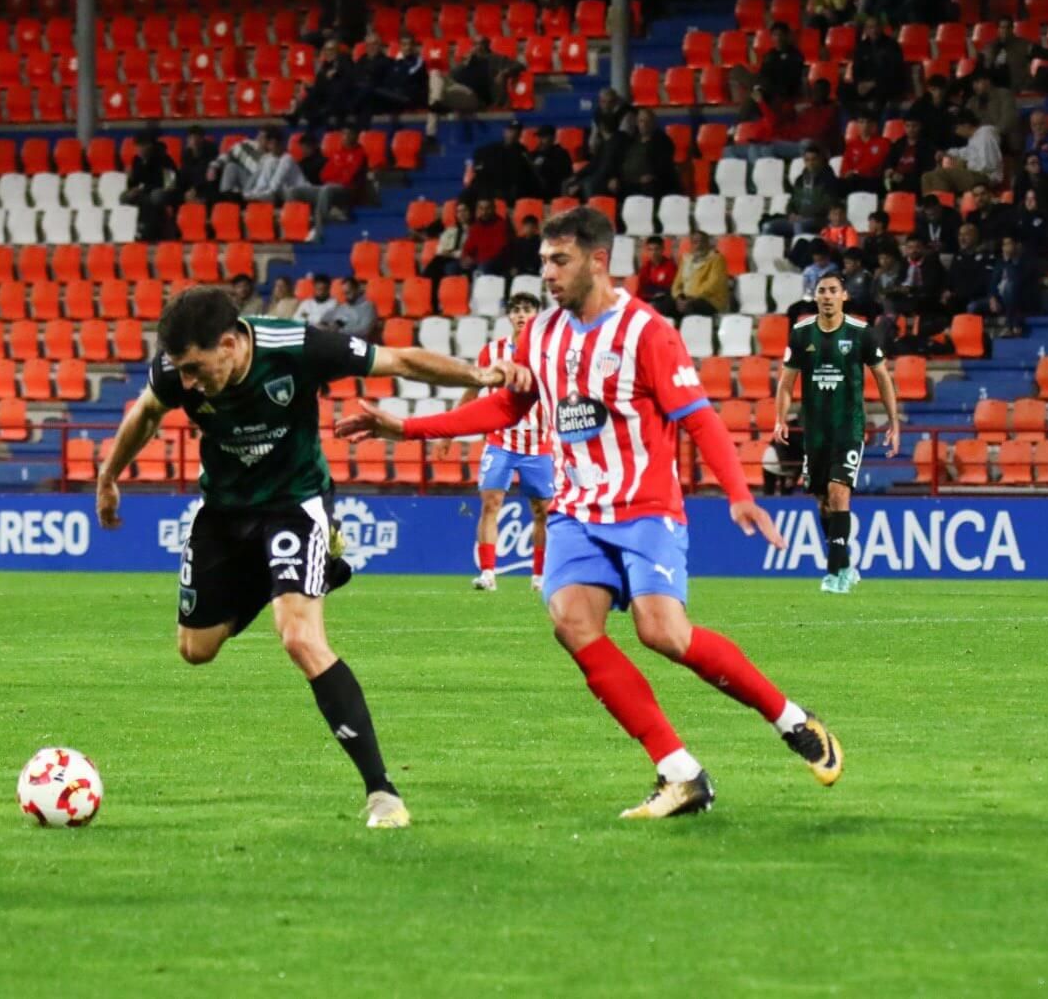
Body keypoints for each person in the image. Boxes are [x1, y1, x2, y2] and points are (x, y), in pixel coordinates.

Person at [336, 206, 843, 819]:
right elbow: (503, 410)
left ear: (598, 261)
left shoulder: (647, 332)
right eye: (543, 261)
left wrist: (738, 493)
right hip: (577, 511)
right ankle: (678, 772)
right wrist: (406, 426)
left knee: (664, 633)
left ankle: (792, 720)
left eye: (559, 260)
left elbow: (701, 418)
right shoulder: (543, 336)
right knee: (573, 622)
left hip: (646, 507)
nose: (547, 273)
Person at [96, 287, 527, 829]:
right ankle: (310, 569)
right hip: (224, 513)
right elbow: (147, 413)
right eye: (180, 371)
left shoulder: (297, 346)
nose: (187, 383)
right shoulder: (173, 372)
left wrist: (479, 376)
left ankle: (382, 792)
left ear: (229, 344)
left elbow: (397, 359)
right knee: (195, 649)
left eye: (195, 369)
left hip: (294, 504)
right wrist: (109, 476)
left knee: (299, 638)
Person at [773, 273, 900, 594]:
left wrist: (893, 421)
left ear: (844, 296)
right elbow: (786, 382)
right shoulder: (801, 333)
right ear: (815, 297)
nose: (827, 296)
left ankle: (833, 573)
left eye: (833, 291)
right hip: (815, 433)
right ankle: (845, 563)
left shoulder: (861, 333)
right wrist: (780, 418)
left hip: (848, 428)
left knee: (838, 491)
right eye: (821, 291)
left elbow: (883, 378)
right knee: (823, 501)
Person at [458, 293, 553, 592]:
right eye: (516, 310)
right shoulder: (493, 351)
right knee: (490, 504)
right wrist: (449, 431)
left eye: (528, 310)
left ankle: (539, 575)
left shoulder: (550, 350)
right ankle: (488, 573)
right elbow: (473, 391)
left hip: (540, 444)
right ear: (509, 316)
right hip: (501, 441)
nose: (521, 315)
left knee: (543, 510)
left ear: (537, 315)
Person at [764, 146, 841, 237]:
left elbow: (828, 205)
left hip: (819, 220)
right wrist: (791, 214)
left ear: (820, 160)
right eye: (807, 160)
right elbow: (791, 202)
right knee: (768, 226)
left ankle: (798, 250)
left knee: (799, 225)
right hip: (798, 219)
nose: (810, 163)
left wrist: (805, 217)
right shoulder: (800, 180)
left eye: (814, 159)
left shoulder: (829, 180)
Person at [920, 111, 1002, 195]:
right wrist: (946, 153)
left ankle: (944, 206)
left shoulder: (986, 134)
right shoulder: (974, 138)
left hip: (985, 176)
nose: (956, 132)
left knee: (941, 174)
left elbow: (988, 164)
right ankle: (929, 205)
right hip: (974, 174)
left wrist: (965, 165)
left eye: (956, 128)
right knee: (926, 177)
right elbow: (964, 152)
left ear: (966, 125)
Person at [975, 234, 1039, 337]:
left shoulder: (1027, 262)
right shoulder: (1000, 263)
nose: (1005, 247)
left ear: (1017, 245)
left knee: (1010, 287)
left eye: (1008, 244)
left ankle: (1010, 326)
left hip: (1021, 299)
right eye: (1003, 245)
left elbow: (1019, 282)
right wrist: (992, 298)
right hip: (1000, 300)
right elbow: (993, 283)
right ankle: (978, 339)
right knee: (973, 306)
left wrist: (1010, 262)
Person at [122, 128, 178, 242]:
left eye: (143, 146)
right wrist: (131, 181)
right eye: (138, 146)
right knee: (124, 197)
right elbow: (135, 182)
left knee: (154, 197)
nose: (140, 149)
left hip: (163, 191)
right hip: (144, 191)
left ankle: (148, 231)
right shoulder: (136, 160)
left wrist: (143, 189)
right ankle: (142, 229)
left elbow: (170, 184)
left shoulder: (165, 159)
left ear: (150, 146)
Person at [466, 121, 537, 206]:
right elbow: (482, 173)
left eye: (517, 131)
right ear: (505, 131)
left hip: (511, 192)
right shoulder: (491, 150)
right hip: (492, 189)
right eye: (511, 130)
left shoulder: (523, 152)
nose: (514, 134)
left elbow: (527, 176)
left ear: (520, 134)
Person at [665, 230, 732, 316]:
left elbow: (713, 285)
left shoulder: (717, 259)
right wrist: (679, 297)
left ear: (708, 243)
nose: (699, 245)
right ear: (691, 244)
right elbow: (676, 283)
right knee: (665, 305)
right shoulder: (686, 259)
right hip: (687, 298)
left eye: (702, 242)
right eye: (695, 242)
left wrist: (690, 298)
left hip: (709, 300)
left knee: (690, 307)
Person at [980, 17, 1042, 91]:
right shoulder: (990, 47)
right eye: (1002, 27)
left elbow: (1038, 53)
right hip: (997, 87)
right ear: (998, 29)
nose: (1005, 30)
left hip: (1018, 85)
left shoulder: (1023, 44)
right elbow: (985, 66)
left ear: (1012, 29)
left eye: (1008, 27)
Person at [837, 117, 890, 197]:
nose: (865, 126)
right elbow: (845, 164)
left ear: (874, 125)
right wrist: (847, 173)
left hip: (874, 180)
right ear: (857, 125)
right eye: (861, 122)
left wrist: (856, 172)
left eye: (868, 122)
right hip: (854, 180)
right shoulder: (851, 144)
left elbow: (876, 163)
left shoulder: (883, 143)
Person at [423, 200, 472, 285]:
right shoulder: (451, 230)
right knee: (434, 265)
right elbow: (440, 250)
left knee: (446, 267)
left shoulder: (474, 230)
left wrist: (451, 253)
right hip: (445, 258)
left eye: (464, 210)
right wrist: (449, 253)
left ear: (470, 213)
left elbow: (466, 252)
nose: (462, 214)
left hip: (460, 260)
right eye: (459, 211)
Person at [461, 197, 512, 276]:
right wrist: (466, 258)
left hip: (497, 262)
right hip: (478, 261)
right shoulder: (475, 227)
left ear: (494, 209)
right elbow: (468, 247)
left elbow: (499, 249)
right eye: (481, 209)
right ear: (477, 210)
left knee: (483, 267)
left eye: (488, 208)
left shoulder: (502, 225)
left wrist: (476, 260)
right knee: (451, 267)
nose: (484, 212)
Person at [758, 22, 807, 103]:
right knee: (738, 70)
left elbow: (792, 78)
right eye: (775, 35)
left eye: (781, 34)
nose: (778, 38)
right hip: (766, 89)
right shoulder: (770, 54)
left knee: (756, 93)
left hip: (783, 91)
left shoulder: (796, 55)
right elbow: (763, 73)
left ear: (787, 36)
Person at [177, 125, 219, 205]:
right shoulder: (186, 154)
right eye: (191, 138)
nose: (194, 141)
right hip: (191, 188)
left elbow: (207, 175)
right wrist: (186, 193)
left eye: (197, 138)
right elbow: (184, 174)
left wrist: (195, 189)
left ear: (202, 139)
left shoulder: (211, 151)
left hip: (206, 187)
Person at [529, 125, 574, 200]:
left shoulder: (560, 153)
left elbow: (565, 175)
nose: (540, 140)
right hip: (536, 192)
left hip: (554, 192)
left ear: (552, 138)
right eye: (539, 137)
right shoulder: (534, 154)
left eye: (543, 137)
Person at [636, 235, 678, 308]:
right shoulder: (645, 268)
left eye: (656, 249)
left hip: (664, 301)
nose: (653, 252)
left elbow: (671, 290)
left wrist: (653, 290)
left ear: (662, 249)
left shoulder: (670, 267)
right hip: (648, 299)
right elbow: (641, 290)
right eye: (650, 249)